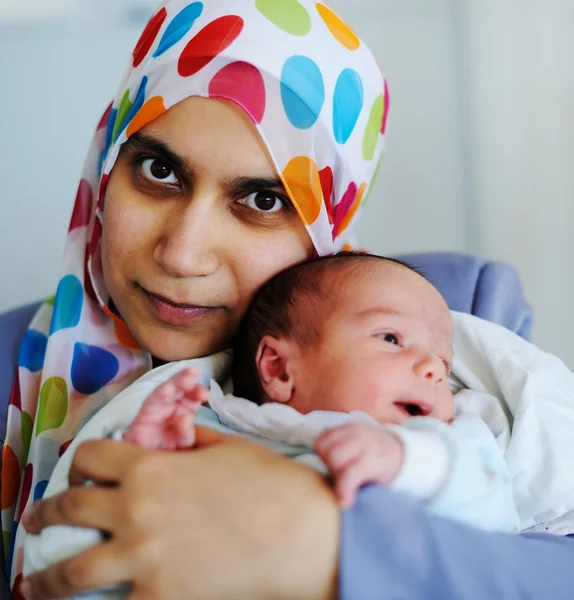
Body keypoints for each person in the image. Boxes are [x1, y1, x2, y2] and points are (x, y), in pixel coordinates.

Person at [4, 2, 574, 600]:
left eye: (266, 201)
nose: (183, 255)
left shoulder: (445, 326)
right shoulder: (7, 367)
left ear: (331, 219)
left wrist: (331, 545)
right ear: (107, 165)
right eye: (157, 169)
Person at [23, 255, 520, 591]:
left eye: (442, 360)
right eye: (391, 338)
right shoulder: (217, 421)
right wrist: (149, 450)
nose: (434, 369)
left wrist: (408, 460)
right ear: (280, 370)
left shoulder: (441, 444)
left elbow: (494, 510)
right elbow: (86, 552)